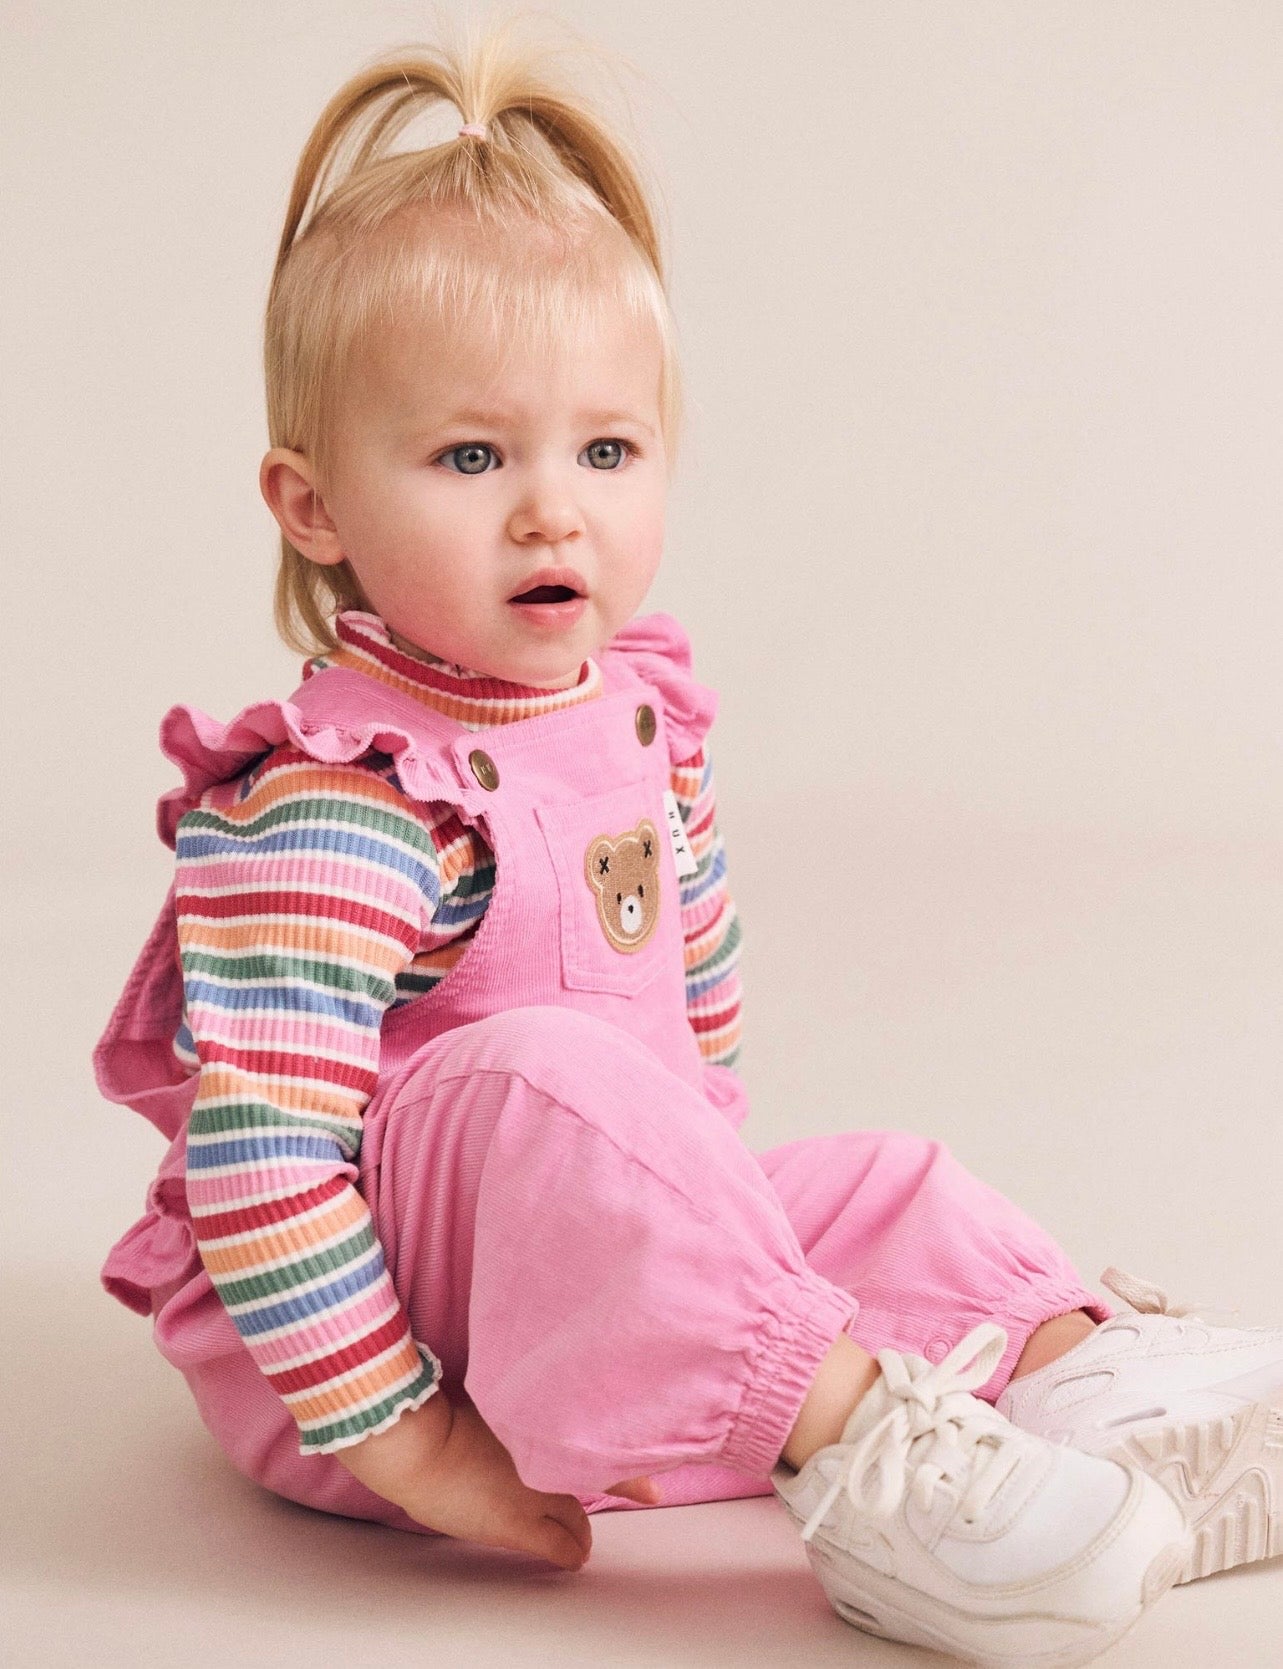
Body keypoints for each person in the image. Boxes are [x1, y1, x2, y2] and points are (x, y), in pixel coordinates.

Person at [93, 15, 1281, 1666]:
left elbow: (696, 1046)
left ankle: (1077, 1380)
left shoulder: (638, 718)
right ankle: (871, 1462)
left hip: (585, 1262)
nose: (552, 507)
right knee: (538, 1083)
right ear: (314, 505)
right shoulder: (341, 796)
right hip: (376, 1343)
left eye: (605, 448)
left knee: (879, 1183)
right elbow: (264, 1159)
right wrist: (414, 1442)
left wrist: (718, 1241)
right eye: (469, 455)